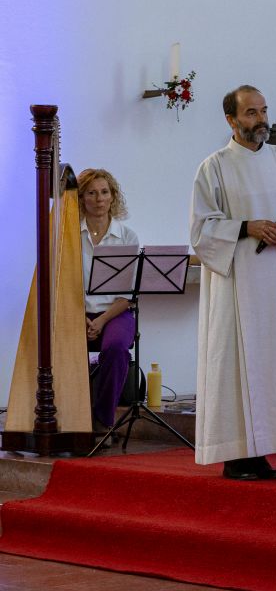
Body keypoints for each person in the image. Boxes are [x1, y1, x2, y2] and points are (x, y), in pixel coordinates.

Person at [191, 85, 276, 480]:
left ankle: (263, 450)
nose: (260, 119)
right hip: (234, 283)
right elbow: (200, 229)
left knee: (272, 363)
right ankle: (234, 454)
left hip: (274, 282)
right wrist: (248, 227)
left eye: (263, 111)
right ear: (231, 119)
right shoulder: (214, 166)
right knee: (232, 364)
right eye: (250, 113)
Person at [78, 168, 139, 433]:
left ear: (113, 197)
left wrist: (101, 321)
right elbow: (62, 287)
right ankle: (72, 419)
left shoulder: (127, 237)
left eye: (104, 192)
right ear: (81, 199)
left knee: (115, 348)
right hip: (76, 313)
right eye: (91, 193)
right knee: (61, 349)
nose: (99, 198)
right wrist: (81, 318)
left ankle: (103, 420)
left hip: (115, 313)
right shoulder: (68, 236)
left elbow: (127, 296)